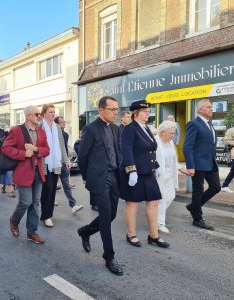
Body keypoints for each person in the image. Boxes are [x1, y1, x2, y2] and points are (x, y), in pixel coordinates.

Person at [77, 96, 123, 276]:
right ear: (101, 110)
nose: (115, 112)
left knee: (111, 214)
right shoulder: (90, 129)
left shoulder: (116, 128)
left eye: (116, 110)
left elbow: (117, 152)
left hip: (114, 176)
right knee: (105, 215)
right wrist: (89, 178)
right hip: (99, 178)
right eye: (112, 109)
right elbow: (83, 157)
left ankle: (85, 231)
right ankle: (109, 256)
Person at [120, 100, 169, 249]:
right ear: (136, 113)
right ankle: (131, 234)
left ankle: (153, 235)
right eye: (145, 112)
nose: (148, 114)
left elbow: (149, 150)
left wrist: (157, 165)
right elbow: (126, 150)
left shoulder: (145, 127)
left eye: (148, 112)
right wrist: (131, 170)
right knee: (133, 203)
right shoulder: (130, 128)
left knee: (154, 201)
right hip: (135, 172)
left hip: (148, 172)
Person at [2, 105, 50, 244]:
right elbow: (5, 148)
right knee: (25, 201)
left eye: (40, 114)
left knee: (35, 204)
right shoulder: (17, 130)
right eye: (36, 114)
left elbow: (47, 150)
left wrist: (35, 149)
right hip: (23, 172)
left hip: (38, 171)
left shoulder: (41, 131)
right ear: (28, 116)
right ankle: (14, 220)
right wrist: (23, 154)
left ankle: (32, 232)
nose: (40, 116)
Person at [183, 99, 221, 230]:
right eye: (208, 107)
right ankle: (197, 219)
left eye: (211, 106)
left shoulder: (210, 124)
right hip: (198, 164)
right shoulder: (193, 124)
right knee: (198, 191)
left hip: (210, 163)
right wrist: (190, 166)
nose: (211, 109)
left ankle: (194, 206)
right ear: (200, 110)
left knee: (216, 187)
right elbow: (188, 147)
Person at [156, 121, 189, 234]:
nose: (173, 135)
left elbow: (173, 159)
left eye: (174, 133)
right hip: (159, 176)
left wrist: (181, 168)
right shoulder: (156, 142)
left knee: (171, 196)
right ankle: (159, 223)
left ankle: (154, 215)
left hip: (170, 174)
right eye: (171, 133)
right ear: (163, 132)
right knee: (162, 198)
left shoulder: (170, 143)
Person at [39, 104, 70, 228]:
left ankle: (47, 214)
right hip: (44, 162)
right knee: (47, 188)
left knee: (52, 190)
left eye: (54, 112)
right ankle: (45, 215)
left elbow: (62, 144)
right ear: (44, 113)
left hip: (56, 161)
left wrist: (66, 159)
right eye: (50, 112)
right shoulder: (39, 126)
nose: (53, 114)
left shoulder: (57, 127)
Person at [54, 116, 83, 214]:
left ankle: (73, 205)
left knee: (66, 184)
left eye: (64, 122)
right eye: (61, 122)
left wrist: (67, 158)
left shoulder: (65, 134)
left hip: (63, 162)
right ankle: (51, 199)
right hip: (55, 162)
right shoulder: (53, 133)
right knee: (52, 184)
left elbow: (65, 147)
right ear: (57, 124)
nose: (64, 123)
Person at [0, 132, 15, 198]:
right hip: (3, 160)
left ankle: (10, 190)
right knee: (5, 174)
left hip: (10, 160)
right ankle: (4, 187)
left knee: (9, 174)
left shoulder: (13, 140)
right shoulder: (2, 140)